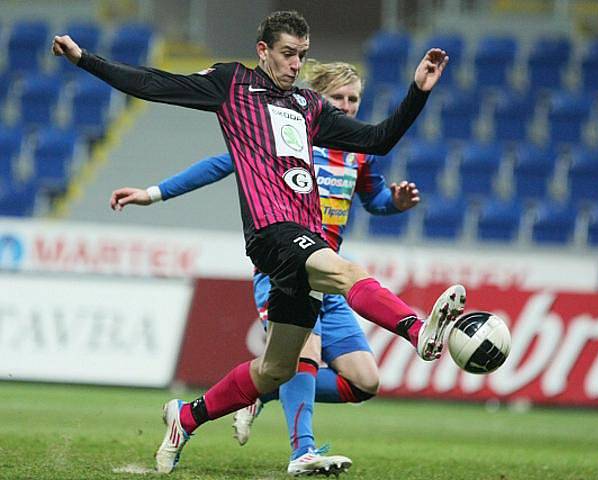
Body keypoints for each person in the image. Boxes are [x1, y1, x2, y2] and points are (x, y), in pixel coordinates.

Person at [52, 10, 465, 474]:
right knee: (346, 271)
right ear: (263, 50)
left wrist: (418, 92)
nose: (295, 64)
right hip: (272, 235)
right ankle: (416, 330)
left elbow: (378, 140)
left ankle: (184, 417)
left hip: (305, 238)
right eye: (288, 54)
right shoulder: (232, 85)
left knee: (275, 371)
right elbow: (153, 83)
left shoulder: (310, 106)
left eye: (302, 55)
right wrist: (85, 59)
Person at [110, 60, 422, 476]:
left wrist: (395, 204)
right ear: (317, 101)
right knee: (304, 353)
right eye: (338, 99)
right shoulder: (289, 137)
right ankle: (303, 451)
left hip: (328, 273)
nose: (346, 107)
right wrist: (154, 193)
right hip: (284, 263)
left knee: (365, 382)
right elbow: (221, 164)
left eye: (353, 100)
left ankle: (254, 396)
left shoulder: (357, 153)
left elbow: (374, 199)